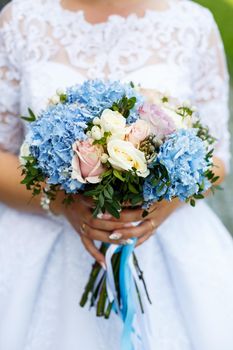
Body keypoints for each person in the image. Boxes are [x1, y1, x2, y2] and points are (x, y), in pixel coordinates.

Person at [0, 0, 233, 349]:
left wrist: (162, 205)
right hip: (43, 244)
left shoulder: (193, 24)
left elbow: (217, 158)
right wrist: (63, 203)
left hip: (169, 242)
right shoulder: (21, 19)